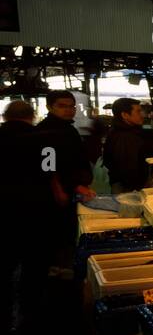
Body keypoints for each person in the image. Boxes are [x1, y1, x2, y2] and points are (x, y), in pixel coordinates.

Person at [0, 101, 59, 335]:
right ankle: (32, 313)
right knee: (35, 261)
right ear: (32, 115)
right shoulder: (45, 139)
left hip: (4, 208)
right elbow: (50, 171)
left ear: (5, 116)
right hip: (37, 206)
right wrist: (59, 194)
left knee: (6, 260)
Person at [36, 91, 95, 253]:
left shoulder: (68, 128)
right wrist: (63, 189)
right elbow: (48, 166)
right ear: (49, 107)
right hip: (56, 193)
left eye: (71, 106)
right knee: (59, 233)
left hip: (70, 189)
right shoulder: (46, 131)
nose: (68, 110)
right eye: (62, 106)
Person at [103, 98, 153, 193]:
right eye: (138, 111)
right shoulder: (123, 137)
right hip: (128, 188)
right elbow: (127, 168)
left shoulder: (130, 132)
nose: (142, 115)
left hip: (129, 186)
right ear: (125, 115)